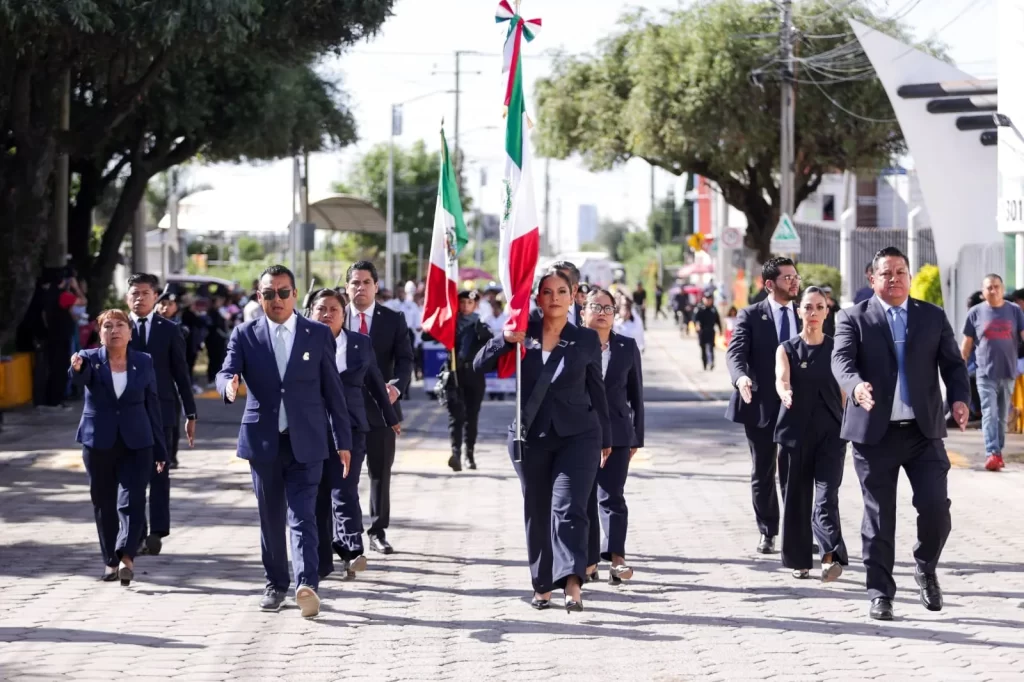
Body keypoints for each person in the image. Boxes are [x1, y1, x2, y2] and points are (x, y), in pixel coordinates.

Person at [832, 246, 970, 621]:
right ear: (872, 279)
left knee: (936, 509)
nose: (894, 279)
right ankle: (880, 593)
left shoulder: (931, 316)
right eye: (886, 273)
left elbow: (954, 366)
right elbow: (841, 361)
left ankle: (925, 565)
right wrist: (856, 386)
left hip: (923, 432)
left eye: (900, 272)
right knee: (879, 518)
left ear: (909, 276)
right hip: (874, 434)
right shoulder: (852, 318)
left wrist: (959, 400)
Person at [217, 265, 352, 618]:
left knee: (303, 514)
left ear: (294, 295)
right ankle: (276, 583)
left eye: (282, 292)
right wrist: (228, 385)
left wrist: (343, 441)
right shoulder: (245, 334)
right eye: (268, 293)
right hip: (263, 442)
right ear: (258, 297)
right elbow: (226, 370)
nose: (275, 299)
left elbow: (333, 392)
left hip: (307, 440)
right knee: (270, 517)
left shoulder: (316, 334)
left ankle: (306, 583)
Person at [475, 268, 611, 613]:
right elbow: (478, 365)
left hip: (578, 435)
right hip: (529, 436)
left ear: (573, 295)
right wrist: (505, 339)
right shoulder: (522, 331)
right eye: (547, 292)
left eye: (561, 292)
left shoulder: (585, 339)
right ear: (537, 297)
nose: (554, 298)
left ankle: (572, 582)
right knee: (537, 511)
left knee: (568, 508)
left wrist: (607, 436)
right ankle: (541, 584)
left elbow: (597, 388)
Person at [69, 309, 167, 586]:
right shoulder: (88, 359)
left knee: (133, 500)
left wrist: (161, 450)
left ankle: (126, 557)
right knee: (104, 503)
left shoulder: (144, 361)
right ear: (99, 333)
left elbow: (153, 406)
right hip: (98, 441)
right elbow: (79, 379)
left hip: (138, 442)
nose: (114, 330)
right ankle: (109, 562)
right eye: (107, 326)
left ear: (130, 332)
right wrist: (76, 367)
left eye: (120, 325)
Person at [307, 288, 399, 581]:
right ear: (310, 313)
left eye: (333, 309)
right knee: (319, 495)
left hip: (352, 428)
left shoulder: (359, 343)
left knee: (344, 488)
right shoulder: (302, 343)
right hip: (312, 428)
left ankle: (352, 550)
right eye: (321, 309)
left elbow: (375, 383)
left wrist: (390, 417)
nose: (327, 314)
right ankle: (323, 560)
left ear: (343, 314)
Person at [726, 256, 801, 554]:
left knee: (796, 471)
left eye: (796, 276)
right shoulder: (751, 315)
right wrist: (741, 378)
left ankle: (797, 531)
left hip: (799, 403)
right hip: (760, 405)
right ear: (769, 284)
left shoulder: (807, 311)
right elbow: (735, 353)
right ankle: (768, 530)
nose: (794, 282)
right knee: (764, 470)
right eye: (787, 278)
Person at [774, 286, 848, 581]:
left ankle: (830, 557)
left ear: (827, 312)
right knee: (797, 497)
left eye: (819, 307)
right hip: (795, 433)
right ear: (798, 311)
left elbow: (845, 390)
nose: (813, 313)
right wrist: (785, 393)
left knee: (826, 496)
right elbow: (781, 378)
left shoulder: (837, 348)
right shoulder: (787, 348)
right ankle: (800, 560)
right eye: (808, 307)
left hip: (831, 433)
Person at [125, 274, 198, 555]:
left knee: (159, 473)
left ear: (156, 297)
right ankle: (136, 532)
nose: (139, 298)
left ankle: (156, 531)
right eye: (135, 293)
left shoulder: (169, 330)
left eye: (145, 293)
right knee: (132, 477)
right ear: (127, 297)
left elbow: (181, 373)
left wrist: (191, 413)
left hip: (162, 413)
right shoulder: (117, 327)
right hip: (128, 415)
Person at [345, 260, 413, 555]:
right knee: (342, 473)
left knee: (379, 473)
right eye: (354, 283)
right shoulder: (333, 315)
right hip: (342, 409)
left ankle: (377, 530)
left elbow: (406, 359)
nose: (360, 288)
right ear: (346, 287)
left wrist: (396, 387)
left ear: (375, 287)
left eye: (366, 283)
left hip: (382, 410)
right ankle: (345, 532)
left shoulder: (393, 319)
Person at [582, 288, 644, 586]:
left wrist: (637, 437)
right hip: (580, 433)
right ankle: (587, 560)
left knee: (613, 497)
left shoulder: (627, 346)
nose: (603, 312)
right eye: (597, 307)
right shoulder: (573, 344)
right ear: (583, 311)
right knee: (581, 499)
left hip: (619, 433)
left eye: (609, 308)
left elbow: (636, 396)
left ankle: (617, 558)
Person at [961, 274, 1024, 471]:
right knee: (990, 412)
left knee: (1002, 415)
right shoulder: (975, 313)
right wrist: (959, 368)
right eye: (989, 287)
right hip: (985, 372)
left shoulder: (1014, 311)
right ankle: (992, 452)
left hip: (1008, 372)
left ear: (1002, 289)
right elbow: (967, 344)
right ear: (983, 292)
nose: (993, 290)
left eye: (997, 287)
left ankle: (998, 450)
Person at [444, 290, 493, 472]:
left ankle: (469, 454)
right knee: (455, 416)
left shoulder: (481, 326)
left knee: (471, 417)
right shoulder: (451, 324)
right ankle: (455, 453)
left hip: (474, 377)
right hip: (454, 375)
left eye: (469, 303)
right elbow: (428, 335)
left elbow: (492, 346)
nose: (465, 306)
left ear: (475, 305)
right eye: (462, 302)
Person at [529, 261, 583, 325]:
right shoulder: (534, 316)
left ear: (575, 289)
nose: (555, 297)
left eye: (562, 290)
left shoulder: (586, 315)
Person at [694, 293, 722, 370]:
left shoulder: (713, 309)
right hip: (702, 331)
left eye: (709, 299)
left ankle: (711, 362)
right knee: (703, 348)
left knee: (710, 347)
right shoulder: (699, 308)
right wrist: (697, 325)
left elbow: (718, 320)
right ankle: (705, 363)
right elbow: (695, 319)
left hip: (710, 331)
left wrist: (720, 330)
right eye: (706, 299)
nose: (708, 301)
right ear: (703, 299)